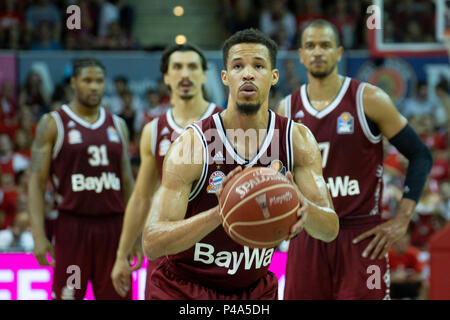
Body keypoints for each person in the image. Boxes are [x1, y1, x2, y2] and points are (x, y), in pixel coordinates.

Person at [141, 28, 339, 300]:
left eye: (258, 66)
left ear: (273, 76)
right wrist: (220, 213)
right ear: (225, 77)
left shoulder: (297, 139)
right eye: (237, 66)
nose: (247, 73)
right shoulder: (192, 143)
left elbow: (329, 228)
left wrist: (301, 206)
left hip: (252, 290)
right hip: (185, 288)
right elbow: (152, 242)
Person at [277, 19, 433, 299]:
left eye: (325, 45)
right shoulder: (286, 109)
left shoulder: (368, 99)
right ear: (300, 55)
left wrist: (402, 219)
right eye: (310, 46)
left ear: (338, 52)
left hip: (360, 236)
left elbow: (420, 154)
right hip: (309, 236)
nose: (317, 52)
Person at [111, 43, 222, 299]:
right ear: (166, 77)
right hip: (167, 250)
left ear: (204, 75)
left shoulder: (225, 123)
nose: (185, 74)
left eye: (193, 67)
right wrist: (122, 254)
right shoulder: (153, 129)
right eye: (177, 67)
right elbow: (141, 197)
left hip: (215, 252)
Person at [28, 58, 135, 300]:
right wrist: (38, 235)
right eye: (87, 80)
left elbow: (128, 185)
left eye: (99, 81)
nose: (94, 86)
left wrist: (135, 234)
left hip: (114, 228)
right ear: (73, 83)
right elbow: (35, 182)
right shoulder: (52, 123)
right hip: (72, 227)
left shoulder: (118, 125)